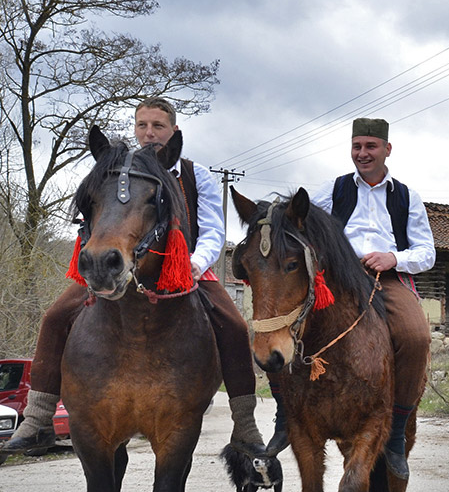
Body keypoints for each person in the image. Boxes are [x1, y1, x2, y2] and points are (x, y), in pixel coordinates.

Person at [0, 98, 267, 460]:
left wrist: (194, 262)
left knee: (234, 325)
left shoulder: (194, 173)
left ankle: (245, 426)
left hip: (183, 268)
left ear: (174, 131)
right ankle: (38, 419)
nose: (149, 133)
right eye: (142, 125)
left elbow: (214, 230)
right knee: (54, 316)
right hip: (121, 265)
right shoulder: (116, 169)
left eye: (158, 126)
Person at [310, 117, 433, 480]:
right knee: (291, 327)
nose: (362, 154)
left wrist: (394, 258)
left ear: (387, 149)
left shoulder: (406, 196)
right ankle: (286, 416)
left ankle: (396, 430)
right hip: (338, 280)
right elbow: (303, 228)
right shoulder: (330, 191)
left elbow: (426, 252)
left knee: (416, 337)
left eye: (370, 146)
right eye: (357, 146)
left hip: (387, 279)